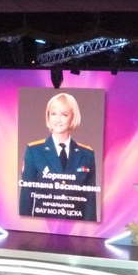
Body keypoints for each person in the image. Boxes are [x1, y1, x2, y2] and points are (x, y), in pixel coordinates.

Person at [19, 92, 98, 221]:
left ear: (73, 117)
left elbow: (90, 200)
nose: (58, 119)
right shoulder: (34, 150)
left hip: (76, 227)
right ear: (48, 116)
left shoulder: (87, 154)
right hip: (43, 227)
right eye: (53, 114)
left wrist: (88, 230)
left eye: (64, 114)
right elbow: (26, 197)